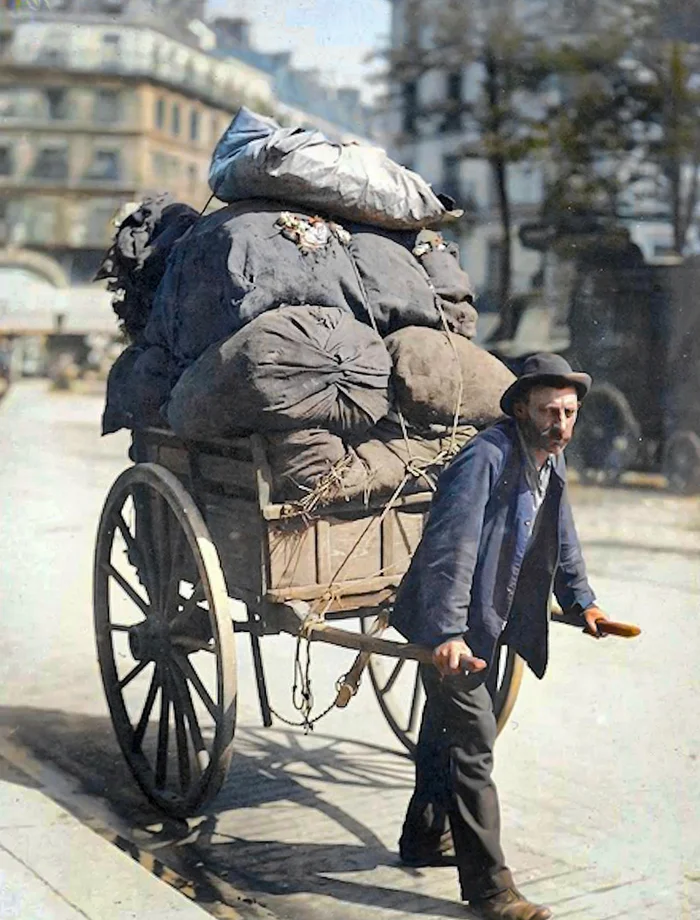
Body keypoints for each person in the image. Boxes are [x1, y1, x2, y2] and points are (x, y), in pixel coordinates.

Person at [391, 353, 613, 920]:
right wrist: (446, 632)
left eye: (569, 413)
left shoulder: (549, 462)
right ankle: (491, 890)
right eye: (548, 412)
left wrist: (583, 603)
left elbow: (562, 537)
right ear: (519, 409)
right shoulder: (485, 458)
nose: (560, 424)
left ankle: (423, 836)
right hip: (455, 625)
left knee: (448, 731)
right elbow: (451, 546)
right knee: (473, 742)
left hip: (488, 624)